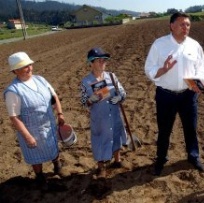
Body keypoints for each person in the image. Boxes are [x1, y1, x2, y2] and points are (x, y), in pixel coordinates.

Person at [144, 12, 204, 176]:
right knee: (164, 129)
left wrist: (199, 83)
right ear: (171, 25)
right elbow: (148, 69)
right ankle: (161, 158)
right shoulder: (159, 44)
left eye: (188, 24)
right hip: (166, 95)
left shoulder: (195, 45)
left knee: (190, 128)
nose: (185, 27)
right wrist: (163, 70)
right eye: (181, 24)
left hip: (188, 95)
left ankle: (193, 156)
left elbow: (201, 67)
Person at [3, 52, 66, 186]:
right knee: (35, 156)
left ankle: (57, 166)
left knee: (53, 147)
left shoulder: (40, 80)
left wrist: (60, 113)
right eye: (25, 66)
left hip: (48, 124)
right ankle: (40, 177)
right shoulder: (13, 91)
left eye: (29, 65)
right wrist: (27, 136)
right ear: (15, 71)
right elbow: (14, 117)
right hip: (31, 130)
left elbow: (53, 98)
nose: (29, 68)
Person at [80, 47, 127, 177]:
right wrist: (92, 99)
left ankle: (117, 160)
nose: (103, 63)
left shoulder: (112, 76)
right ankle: (101, 167)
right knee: (99, 139)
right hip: (100, 118)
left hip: (114, 115)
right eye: (99, 60)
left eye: (104, 60)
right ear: (91, 63)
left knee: (116, 134)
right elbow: (84, 102)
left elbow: (122, 92)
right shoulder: (86, 82)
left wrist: (120, 97)